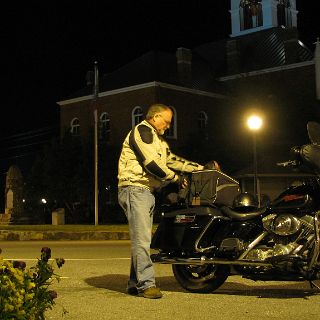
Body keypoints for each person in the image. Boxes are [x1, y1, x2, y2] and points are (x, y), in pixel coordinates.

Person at [118, 103, 205, 299]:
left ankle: (134, 283)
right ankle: (147, 285)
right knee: (142, 240)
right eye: (166, 122)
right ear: (155, 117)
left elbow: (172, 160)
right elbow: (152, 165)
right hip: (135, 188)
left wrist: (200, 169)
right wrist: (175, 178)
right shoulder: (142, 131)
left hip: (144, 191)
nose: (168, 126)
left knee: (141, 240)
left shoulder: (157, 139)